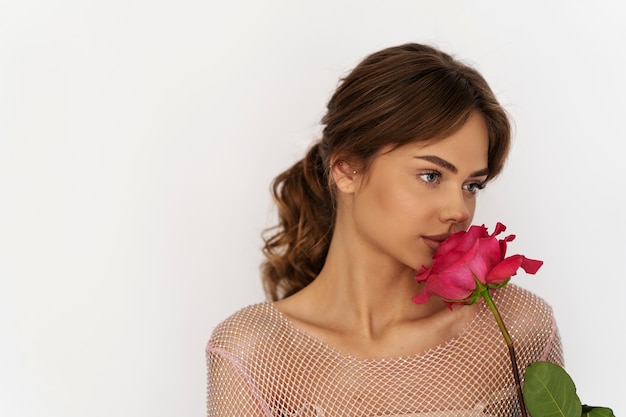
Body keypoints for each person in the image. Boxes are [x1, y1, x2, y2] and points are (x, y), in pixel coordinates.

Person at [206, 43, 563, 417]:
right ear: (346, 170)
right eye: (431, 175)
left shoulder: (516, 327)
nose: (459, 209)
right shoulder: (256, 352)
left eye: (472, 185)